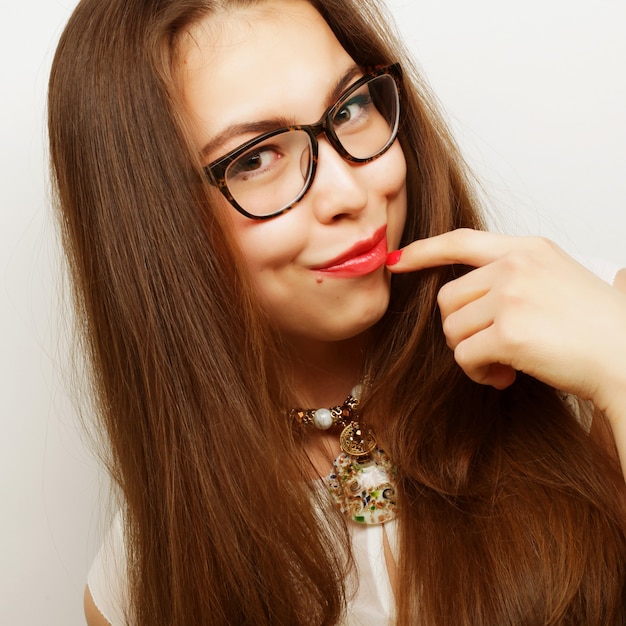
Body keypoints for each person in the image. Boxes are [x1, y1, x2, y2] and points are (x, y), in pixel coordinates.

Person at [48, 0, 626, 624]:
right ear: (153, 228)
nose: (353, 192)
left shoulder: (590, 347)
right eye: (256, 157)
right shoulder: (141, 584)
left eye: (350, 108)